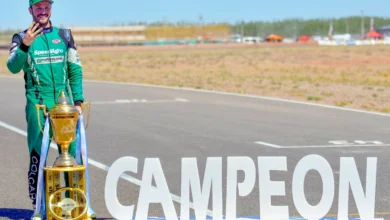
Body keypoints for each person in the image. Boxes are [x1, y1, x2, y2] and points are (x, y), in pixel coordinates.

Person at [6, 0, 88, 218]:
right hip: (38, 106)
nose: (43, 11)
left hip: (65, 107)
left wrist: (78, 101)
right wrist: (25, 44)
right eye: (38, 7)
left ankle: (75, 205)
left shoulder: (65, 36)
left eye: (46, 7)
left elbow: (75, 70)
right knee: (38, 157)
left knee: (72, 156)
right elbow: (12, 67)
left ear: (50, 8)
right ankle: (40, 207)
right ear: (30, 10)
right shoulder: (20, 37)